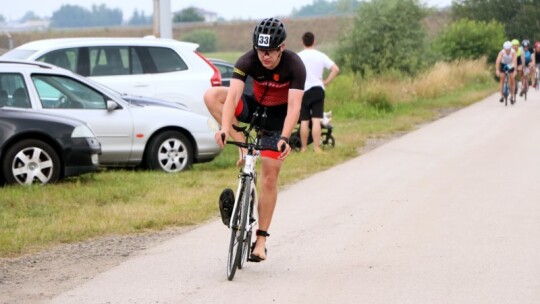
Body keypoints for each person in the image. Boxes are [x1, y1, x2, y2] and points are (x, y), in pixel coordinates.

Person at [204, 17, 306, 262]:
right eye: (260, 51)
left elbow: (294, 107)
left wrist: (284, 137)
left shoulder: (295, 65)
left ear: (281, 47)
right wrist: (226, 129)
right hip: (254, 108)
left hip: (277, 121)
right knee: (212, 95)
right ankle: (242, 148)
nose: (264, 57)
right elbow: (232, 97)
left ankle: (260, 241)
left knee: (270, 177)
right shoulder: (247, 61)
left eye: (269, 51)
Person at [297, 31, 340, 153]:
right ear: (314, 41)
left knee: (304, 121)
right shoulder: (320, 55)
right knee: (316, 119)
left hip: (303, 91)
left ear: (302, 42)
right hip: (317, 89)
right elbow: (335, 69)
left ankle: (304, 148)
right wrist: (326, 81)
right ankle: (316, 148)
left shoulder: (298, 57)